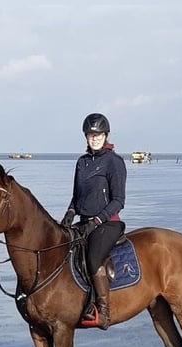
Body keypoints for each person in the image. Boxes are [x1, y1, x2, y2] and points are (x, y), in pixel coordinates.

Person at [61, 113, 127, 330]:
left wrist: (98, 220)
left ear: (106, 135)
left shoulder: (114, 162)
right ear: (86, 137)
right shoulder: (82, 163)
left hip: (108, 223)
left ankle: (104, 310)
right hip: (84, 221)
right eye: (91, 135)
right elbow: (76, 195)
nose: (95, 138)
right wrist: (70, 213)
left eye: (98, 134)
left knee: (92, 258)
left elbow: (118, 200)